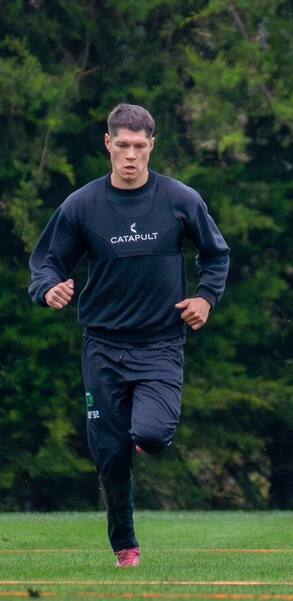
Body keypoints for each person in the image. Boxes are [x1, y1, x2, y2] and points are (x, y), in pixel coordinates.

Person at [29, 104, 230, 568]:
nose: (131, 156)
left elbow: (216, 256)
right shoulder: (82, 205)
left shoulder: (180, 199)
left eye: (140, 146)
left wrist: (206, 299)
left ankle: (144, 435)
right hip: (101, 346)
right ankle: (125, 546)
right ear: (108, 144)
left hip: (161, 342)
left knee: (153, 434)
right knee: (110, 456)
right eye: (122, 146)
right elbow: (47, 262)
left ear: (152, 145)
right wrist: (47, 290)